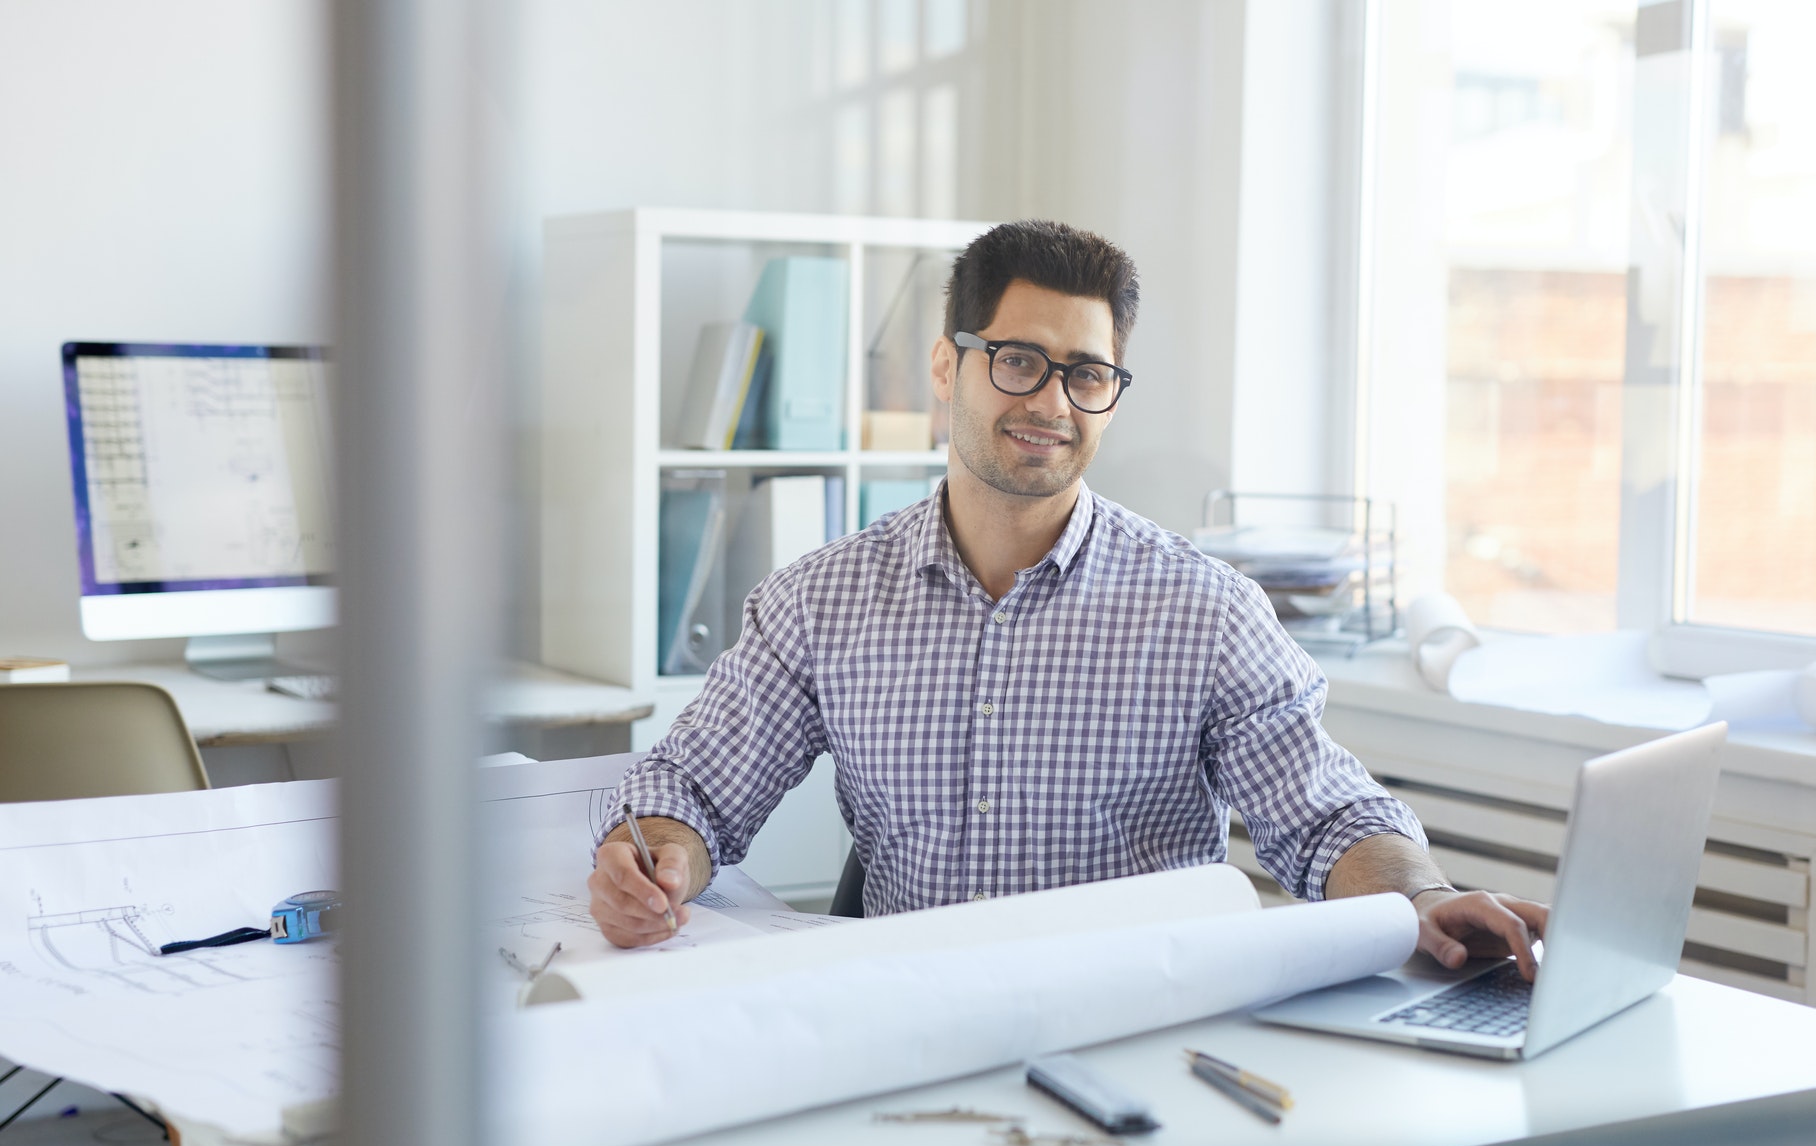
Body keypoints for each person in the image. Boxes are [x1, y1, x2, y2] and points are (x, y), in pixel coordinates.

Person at [588, 218, 1546, 976]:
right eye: (1017, 361)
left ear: (1111, 394)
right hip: (908, 1028)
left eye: (1085, 373)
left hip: (1139, 1029)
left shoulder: (1204, 612)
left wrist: (1419, 893)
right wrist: (657, 859)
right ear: (944, 368)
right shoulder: (820, 603)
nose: (1051, 403)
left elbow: (1328, 813)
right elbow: (694, 788)